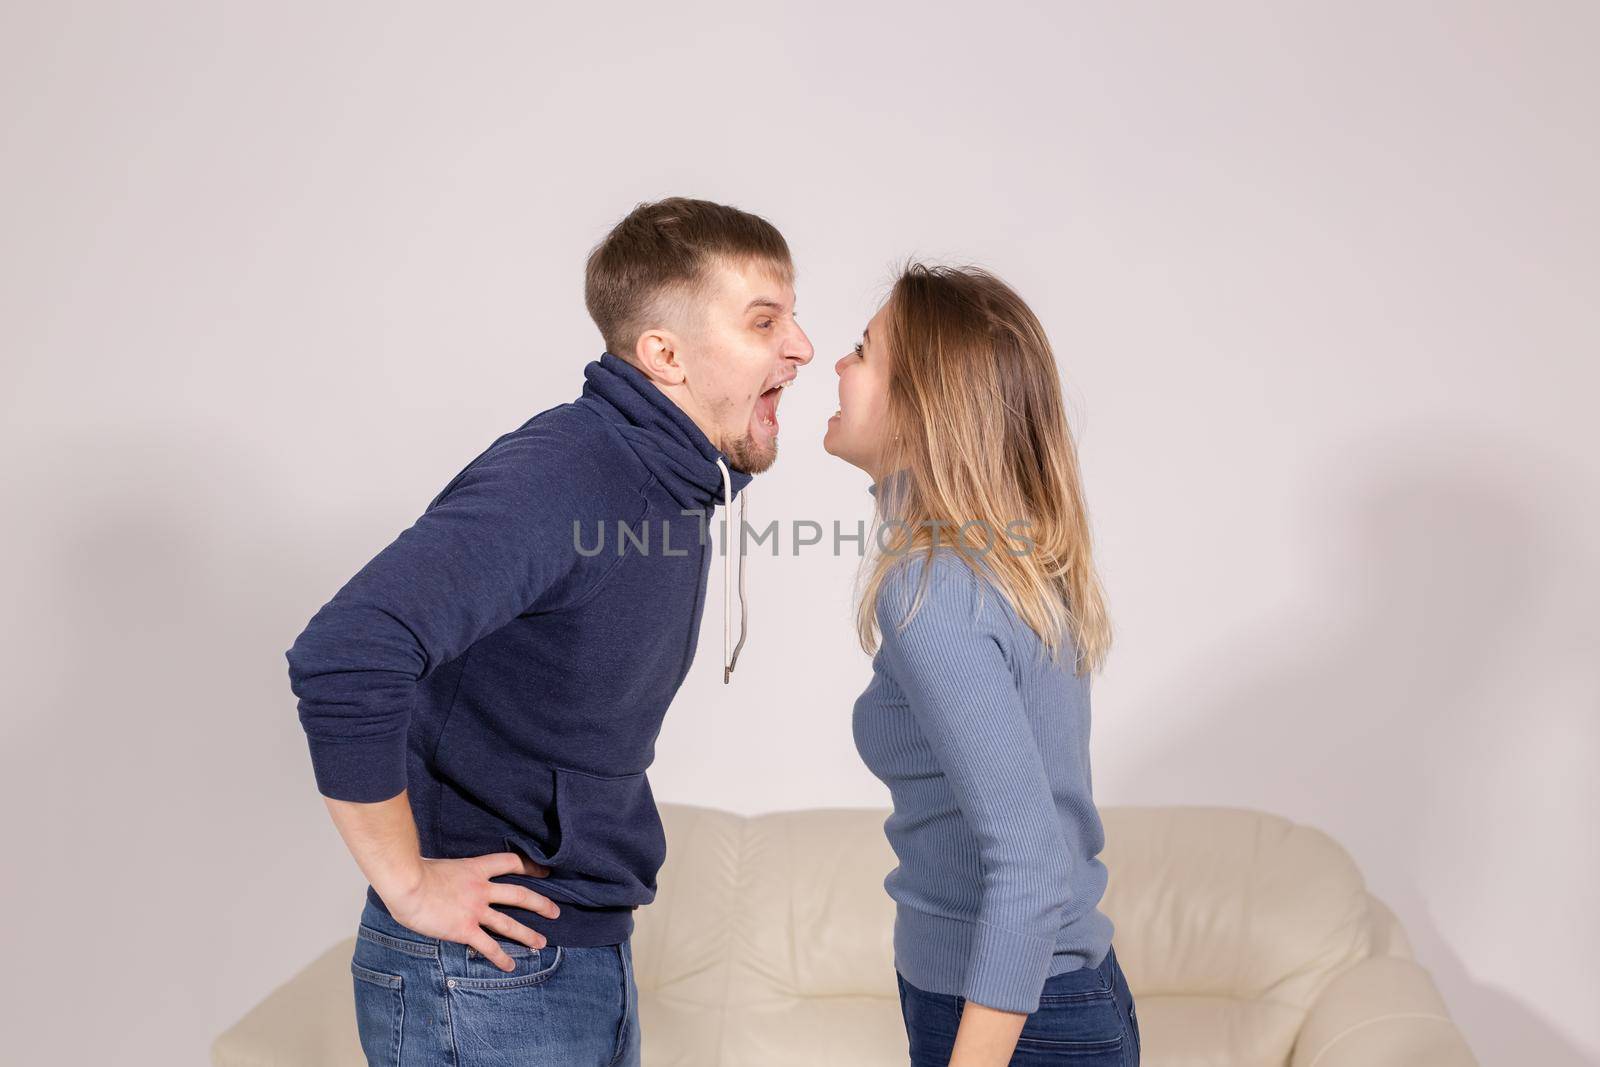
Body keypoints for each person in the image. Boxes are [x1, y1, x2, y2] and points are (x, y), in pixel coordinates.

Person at [284, 196, 814, 1066]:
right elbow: (347, 651)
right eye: (765, 321)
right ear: (665, 356)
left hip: (571, 953)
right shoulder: (574, 470)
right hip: (482, 974)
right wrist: (409, 883)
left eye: (793, 316)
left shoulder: (672, 482)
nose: (800, 346)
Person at [823, 262, 1139, 1066]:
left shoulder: (931, 584)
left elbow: (1030, 864)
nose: (838, 365)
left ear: (920, 402)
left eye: (864, 351)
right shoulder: (1010, 561)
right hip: (1060, 999)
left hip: (1013, 1017)